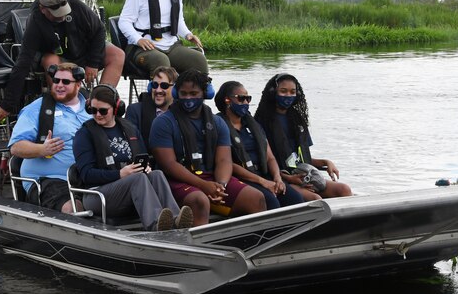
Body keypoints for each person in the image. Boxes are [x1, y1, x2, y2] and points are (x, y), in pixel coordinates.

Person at [148, 69, 266, 226]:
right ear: (177, 94)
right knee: (199, 201)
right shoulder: (163, 122)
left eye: (194, 93)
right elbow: (169, 165)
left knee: (256, 198)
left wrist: (221, 185)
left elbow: (224, 160)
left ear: (206, 93)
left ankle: (251, 243)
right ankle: (195, 247)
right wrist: (203, 186)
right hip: (177, 180)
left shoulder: (217, 122)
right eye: (184, 94)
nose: (188, 98)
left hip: (211, 179)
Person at [0, 0, 124, 121]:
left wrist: (93, 63)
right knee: (51, 61)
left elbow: (99, 30)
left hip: (83, 51)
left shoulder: (77, 6)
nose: (62, 16)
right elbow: (23, 62)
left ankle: (101, 102)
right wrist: (7, 104)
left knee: (117, 54)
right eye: (57, 14)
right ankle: (65, 108)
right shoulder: (35, 23)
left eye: (64, 11)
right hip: (56, 57)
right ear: (43, 9)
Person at [72, 84, 193, 231]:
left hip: (128, 189)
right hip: (97, 195)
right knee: (138, 179)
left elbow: (142, 157)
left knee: (156, 174)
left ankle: (175, 220)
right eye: (92, 110)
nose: (97, 114)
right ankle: (156, 225)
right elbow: (86, 175)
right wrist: (120, 174)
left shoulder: (129, 128)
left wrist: (145, 167)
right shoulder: (84, 134)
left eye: (103, 110)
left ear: (116, 108)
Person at [8, 62, 91, 212]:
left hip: (89, 176)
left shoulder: (93, 108)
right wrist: (42, 149)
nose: (59, 85)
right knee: (73, 208)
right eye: (56, 80)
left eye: (65, 82)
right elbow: (16, 147)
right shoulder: (36, 109)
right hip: (49, 180)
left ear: (78, 84)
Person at [254, 73, 352, 200]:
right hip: (282, 178)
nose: (288, 95)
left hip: (302, 175)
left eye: (292, 92)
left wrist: (326, 162)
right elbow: (264, 163)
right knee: (316, 199)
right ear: (273, 93)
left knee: (344, 189)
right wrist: (290, 178)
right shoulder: (262, 121)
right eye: (283, 91)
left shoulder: (297, 119)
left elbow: (303, 159)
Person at [214, 81, 306, 209]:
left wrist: (277, 178)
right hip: (243, 178)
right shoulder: (219, 125)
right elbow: (228, 163)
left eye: (248, 98)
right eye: (241, 99)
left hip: (264, 174)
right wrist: (262, 182)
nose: (246, 103)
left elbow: (270, 157)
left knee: (295, 199)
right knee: (271, 201)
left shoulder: (253, 125)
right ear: (227, 100)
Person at [117, 0, 208, 77]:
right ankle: (159, 94)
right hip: (144, 48)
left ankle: (190, 95)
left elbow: (178, 20)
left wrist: (188, 34)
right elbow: (124, 22)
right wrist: (138, 40)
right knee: (161, 61)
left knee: (199, 60)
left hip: (171, 46)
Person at [124, 66, 178, 147]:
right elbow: (132, 145)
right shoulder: (135, 111)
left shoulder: (182, 112)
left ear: (175, 89)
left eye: (164, 86)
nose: (158, 90)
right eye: (155, 85)